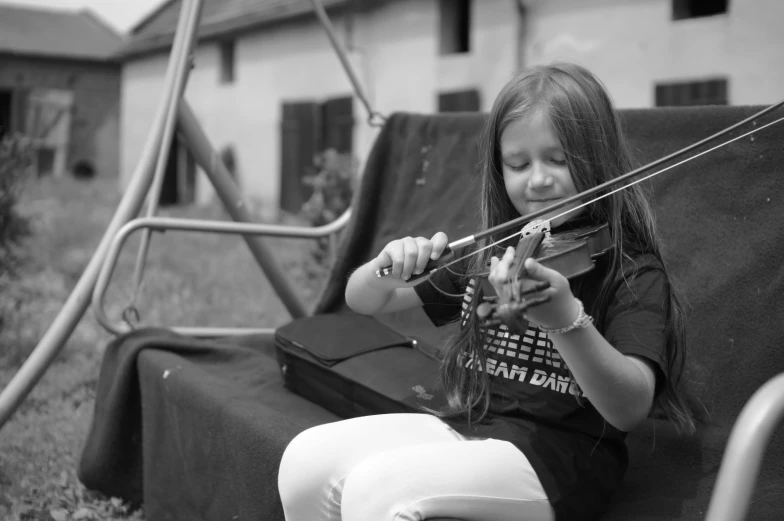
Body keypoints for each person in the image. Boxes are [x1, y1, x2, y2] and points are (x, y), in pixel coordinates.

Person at [277, 62, 695, 521]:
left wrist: (565, 321)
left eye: (559, 160)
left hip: (560, 460)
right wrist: (385, 268)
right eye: (518, 164)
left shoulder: (629, 268)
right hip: (470, 427)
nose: (538, 179)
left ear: (599, 159)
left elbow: (631, 407)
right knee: (305, 462)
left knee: (377, 491)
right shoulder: (494, 251)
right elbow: (367, 301)